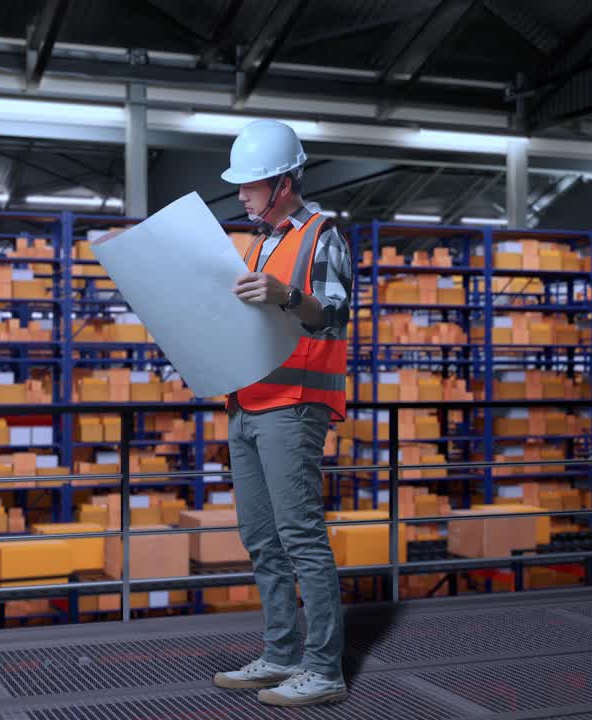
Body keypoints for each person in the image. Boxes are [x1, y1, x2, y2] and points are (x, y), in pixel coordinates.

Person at [210, 119, 352, 707]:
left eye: (252, 185)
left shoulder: (323, 235)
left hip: (293, 406)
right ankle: (280, 653)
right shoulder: (257, 241)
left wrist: (285, 295)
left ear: (285, 183)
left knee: (300, 537)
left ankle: (323, 669)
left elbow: (333, 315)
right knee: (261, 539)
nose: (241, 194)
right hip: (246, 402)